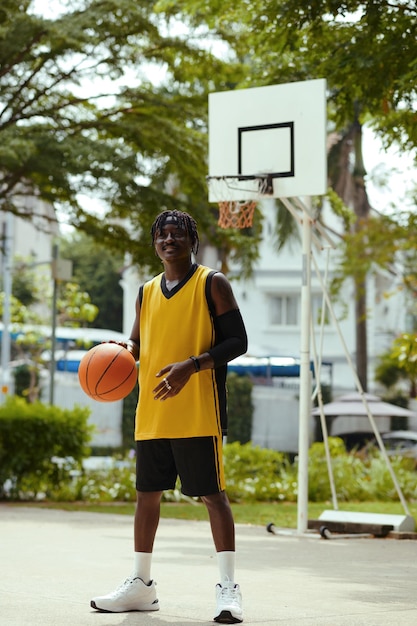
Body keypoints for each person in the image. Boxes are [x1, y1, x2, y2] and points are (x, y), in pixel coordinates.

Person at [90, 209, 248, 624]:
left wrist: (191, 366)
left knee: (213, 496)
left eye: (178, 233)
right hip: (153, 412)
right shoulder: (146, 291)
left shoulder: (211, 283)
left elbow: (238, 341)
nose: (169, 239)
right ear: (155, 243)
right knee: (147, 497)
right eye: (163, 234)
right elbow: (141, 344)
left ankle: (228, 589)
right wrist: (121, 353)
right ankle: (141, 586)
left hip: (198, 410)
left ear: (192, 241)